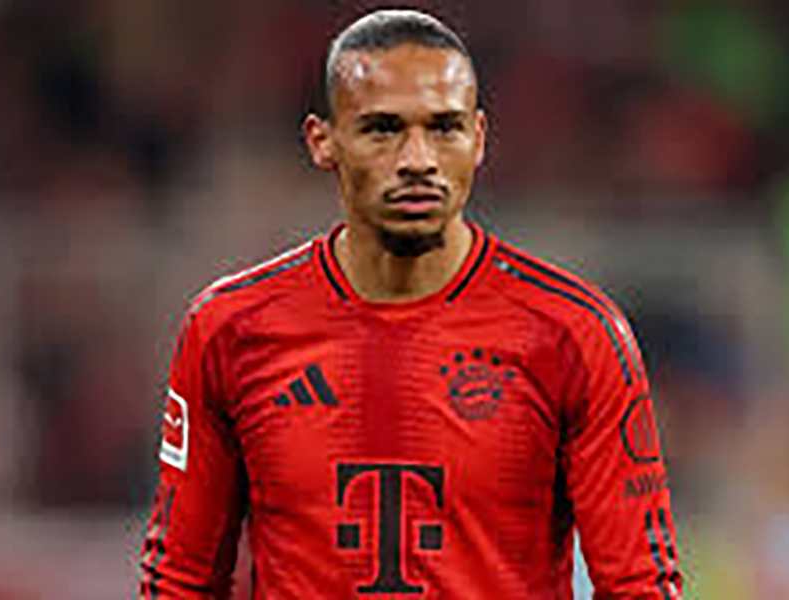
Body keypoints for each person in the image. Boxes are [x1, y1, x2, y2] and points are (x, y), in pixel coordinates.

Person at [138, 9, 683, 599]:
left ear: (479, 138)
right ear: (323, 141)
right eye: (382, 129)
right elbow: (178, 581)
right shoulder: (230, 329)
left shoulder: (574, 335)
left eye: (444, 128)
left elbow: (640, 587)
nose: (418, 159)